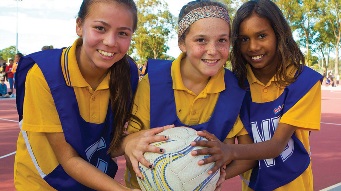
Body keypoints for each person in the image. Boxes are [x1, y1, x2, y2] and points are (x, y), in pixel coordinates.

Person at [120, 0, 255, 190]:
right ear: (182, 43)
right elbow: (126, 141)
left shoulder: (235, 89)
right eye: (201, 40)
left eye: (222, 40)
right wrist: (128, 144)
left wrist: (207, 178)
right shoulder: (153, 82)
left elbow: (246, 156)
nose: (213, 50)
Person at [192, 0, 323, 191]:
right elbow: (250, 157)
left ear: (279, 35)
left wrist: (228, 150)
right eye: (244, 39)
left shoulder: (303, 82)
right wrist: (204, 180)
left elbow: (276, 146)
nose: (253, 47)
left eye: (261, 36)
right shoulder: (236, 87)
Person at [14, 0, 142, 190]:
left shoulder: (127, 73)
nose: (110, 42)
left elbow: (106, 144)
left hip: (91, 181)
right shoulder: (45, 74)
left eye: (122, 33)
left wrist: (130, 142)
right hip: (43, 184)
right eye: (100, 28)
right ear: (79, 26)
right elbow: (69, 159)